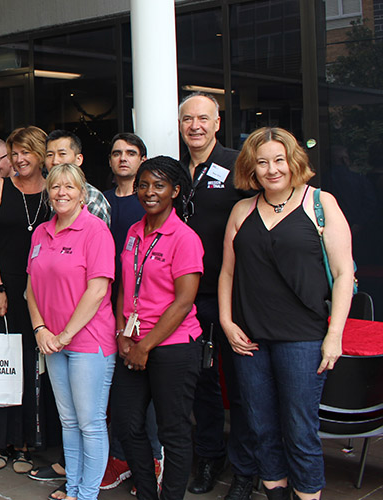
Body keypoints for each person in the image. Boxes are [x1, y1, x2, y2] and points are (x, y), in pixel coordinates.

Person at [218, 127, 353, 500]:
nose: (272, 169)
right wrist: (228, 322)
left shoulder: (320, 203)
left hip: (304, 338)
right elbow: (227, 272)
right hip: (250, 338)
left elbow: (344, 274)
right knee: (261, 426)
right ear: (252, 168)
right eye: (262, 162)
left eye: (279, 160)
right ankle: (275, 491)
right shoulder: (241, 210)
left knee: (299, 428)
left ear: (293, 161)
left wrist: (334, 335)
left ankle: (307, 493)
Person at [178, 92, 258, 498]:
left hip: (234, 297)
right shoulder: (174, 172)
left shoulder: (238, 165)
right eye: (188, 118)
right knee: (203, 383)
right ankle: (210, 457)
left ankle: (247, 470)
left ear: (217, 123)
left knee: (242, 388)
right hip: (189, 298)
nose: (195, 125)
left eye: (203, 118)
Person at [111, 156, 204, 500]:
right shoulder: (135, 231)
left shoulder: (184, 237)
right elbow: (125, 285)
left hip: (173, 347)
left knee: (173, 431)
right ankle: (148, 493)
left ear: (175, 191)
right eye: (144, 185)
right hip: (133, 342)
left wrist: (145, 345)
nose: (149, 192)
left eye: (159, 186)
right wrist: (123, 332)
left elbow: (183, 302)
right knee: (127, 422)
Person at [25, 164, 115, 499]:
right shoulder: (41, 232)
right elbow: (31, 287)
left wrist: (63, 335)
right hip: (52, 342)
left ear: (82, 193)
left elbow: (97, 291)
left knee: (90, 422)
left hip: (88, 342)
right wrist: (40, 329)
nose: (62, 193)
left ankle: (87, 494)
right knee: (68, 421)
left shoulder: (95, 231)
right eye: (55, 187)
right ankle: (74, 487)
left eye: (69, 187)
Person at [0, 126, 50, 474]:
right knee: (1, 364)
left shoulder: (55, 190)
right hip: (1, 289)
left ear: (41, 154)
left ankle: (26, 443)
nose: (20, 159)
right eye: (15, 153)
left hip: (40, 294)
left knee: (32, 368)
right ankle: (0, 442)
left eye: (27, 152)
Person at [100, 133, 163, 491]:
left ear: (142, 159)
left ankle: (152, 458)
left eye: (130, 153)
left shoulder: (150, 202)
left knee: (144, 382)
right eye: (116, 153)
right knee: (117, 387)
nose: (123, 158)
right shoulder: (102, 201)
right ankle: (120, 456)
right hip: (106, 303)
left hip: (145, 307)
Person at [45, 130, 111, 226]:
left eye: (62, 154)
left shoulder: (92, 199)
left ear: (78, 159)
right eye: (50, 155)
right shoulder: (46, 193)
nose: (55, 161)